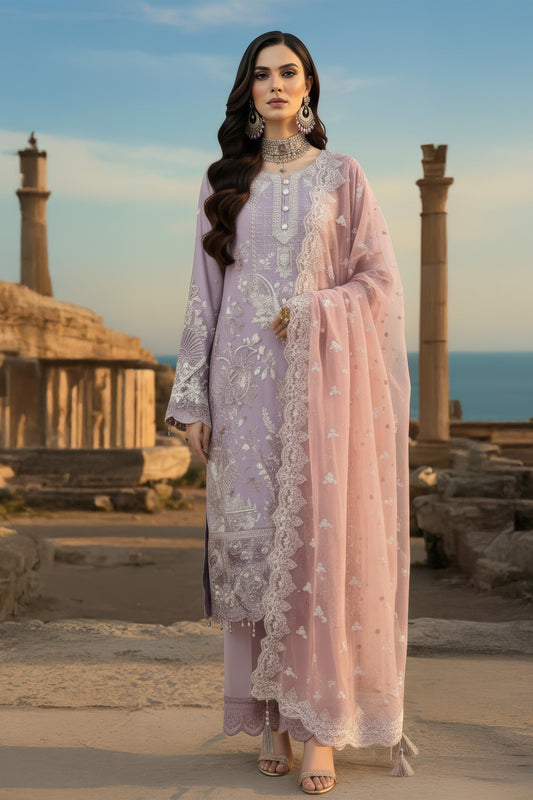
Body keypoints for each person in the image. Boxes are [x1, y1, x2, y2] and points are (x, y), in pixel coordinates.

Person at [166, 30, 415, 795]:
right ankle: (271, 721)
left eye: (289, 72)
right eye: (261, 74)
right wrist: (192, 397)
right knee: (253, 559)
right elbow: (203, 295)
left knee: (316, 555)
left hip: (321, 400)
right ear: (247, 91)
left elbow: (380, 283)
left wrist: (312, 311)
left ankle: (319, 732)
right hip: (241, 397)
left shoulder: (343, 176)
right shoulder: (222, 181)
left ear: (308, 88)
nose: (275, 84)